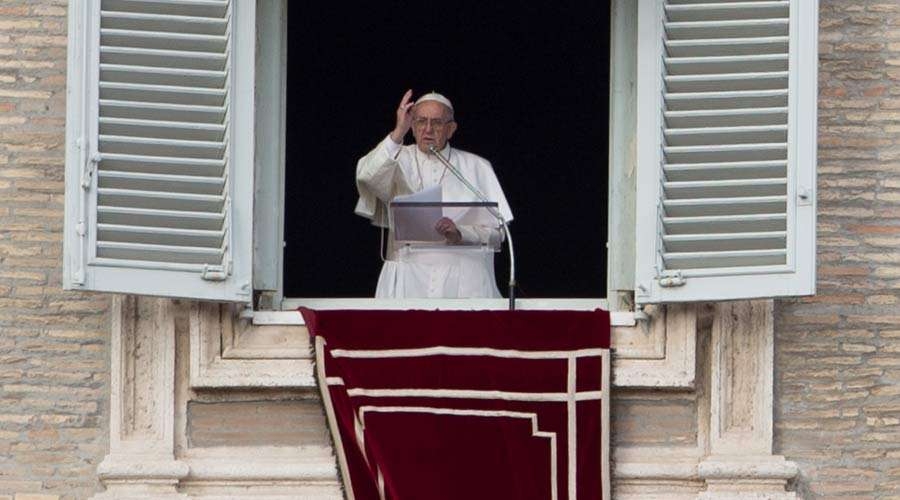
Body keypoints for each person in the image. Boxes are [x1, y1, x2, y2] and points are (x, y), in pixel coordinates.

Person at [355, 90, 513, 299]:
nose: (428, 129)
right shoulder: (395, 158)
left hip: (465, 280)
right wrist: (398, 132)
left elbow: (499, 233)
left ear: (451, 129)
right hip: (407, 276)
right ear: (412, 125)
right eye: (420, 121)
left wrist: (461, 233)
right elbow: (367, 176)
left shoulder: (477, 167)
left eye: (437, 123)